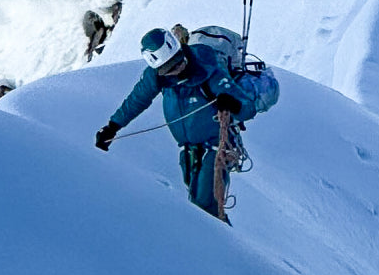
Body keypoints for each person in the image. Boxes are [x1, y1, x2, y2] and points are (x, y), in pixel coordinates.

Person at [95, 25, 277, 220]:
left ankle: (218, 246)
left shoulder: (208, 68)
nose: (177, 69)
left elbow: (246, 107)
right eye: (168, 69)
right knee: (198, 203)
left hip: (218, 145)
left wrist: (233, 104)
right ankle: (221, 244)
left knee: (204, 207)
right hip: (189, 150)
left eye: (178, 61)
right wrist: (113, 126)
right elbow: (137, 100)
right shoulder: (156, 78)